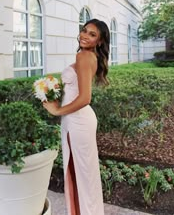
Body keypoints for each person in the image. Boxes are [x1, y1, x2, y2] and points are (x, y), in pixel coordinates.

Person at [43, 18, 110, 215]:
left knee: (79, 174)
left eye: (92, 34)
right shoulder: (88, 57)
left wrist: (57, 111)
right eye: (84, 30)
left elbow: (85, 98)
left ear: (99, 41)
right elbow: (75, 92)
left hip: (78, 120)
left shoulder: (84, 57)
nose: (85, 36)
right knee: (84, 174)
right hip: (78, 120)